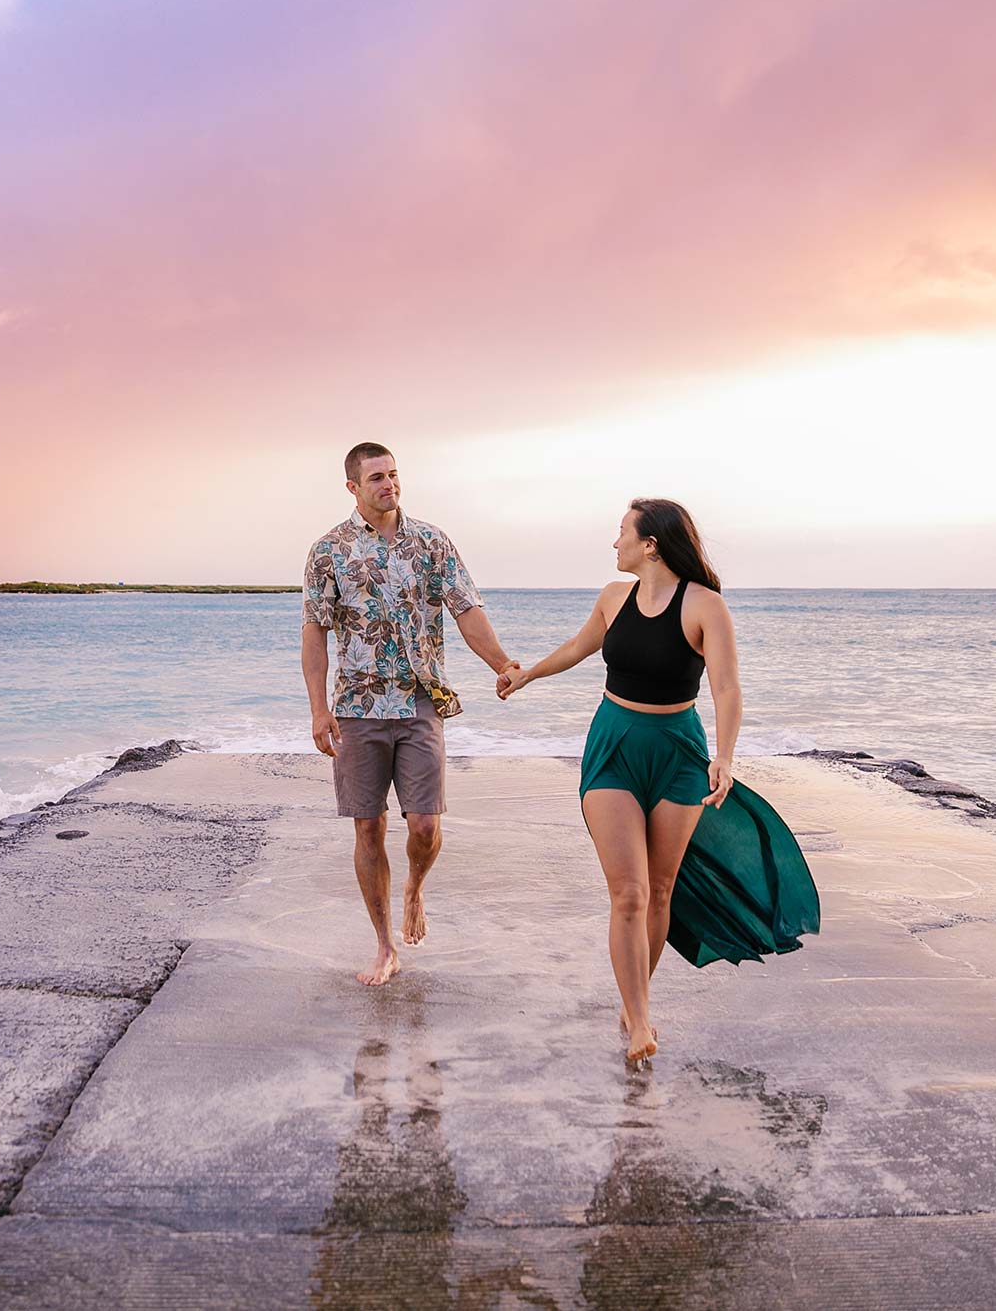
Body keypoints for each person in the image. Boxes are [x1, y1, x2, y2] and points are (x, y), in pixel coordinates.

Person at [497, 498, 819, 1064]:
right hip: (614, 748)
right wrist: (527, 675)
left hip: (679, 754)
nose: (613, 543)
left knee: (661, 889)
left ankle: (634, 999)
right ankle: (640, 1018)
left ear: (650, 545)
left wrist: (724, 755)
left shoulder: (705, 606)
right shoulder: (613, 597)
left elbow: (726, 689)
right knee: (629, 891)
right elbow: (578, 647)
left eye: (621, 533)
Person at [302, 442, 517, 987]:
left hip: (422, 701)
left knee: (424, 825)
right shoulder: (329, 551)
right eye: (376, 477)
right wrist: (318, 708)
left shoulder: (432, 542)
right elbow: (314, 634)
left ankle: (414, 889)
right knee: (368, 827)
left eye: (394, 474)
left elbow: (467, 610)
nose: (388, 484)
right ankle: (383, 944)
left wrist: (503, 665)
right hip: (357, 707)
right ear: (353, 486)